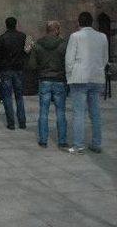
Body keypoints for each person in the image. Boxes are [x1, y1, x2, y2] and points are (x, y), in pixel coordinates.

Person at [65, 12, 109, 154]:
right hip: (96, 77)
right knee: (95, 113)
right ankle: (97, 143)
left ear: (79, 23)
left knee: (79, 113)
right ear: (92, 22)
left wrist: (69, 75)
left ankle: (78, 145)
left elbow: (69, 59)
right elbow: (105, 58)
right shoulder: (102, 37)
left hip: (79, 77)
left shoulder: (75, 36)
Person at [28, 21, 68, 149]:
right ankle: (62, 141)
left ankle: (43, 140)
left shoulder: (38, 45)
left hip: (44, 80)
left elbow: (32, 65)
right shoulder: (63, 45)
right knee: (61, 112)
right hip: (59, 80)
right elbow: (68, 62)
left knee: (43, 111)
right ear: (56, 30)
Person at [0, 17, 27, 130]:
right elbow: (28, 50)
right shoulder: (23, 36)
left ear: (6, 25)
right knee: (19, 96)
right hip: (18, 69)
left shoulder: (1, 38)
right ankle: (22, 122)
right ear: (16, 24)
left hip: (6, 70)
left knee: (7, 96)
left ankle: (11, 123)